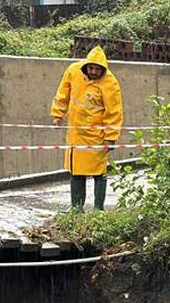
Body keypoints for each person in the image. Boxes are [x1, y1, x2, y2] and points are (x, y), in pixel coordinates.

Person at [50, 45, 123, 211]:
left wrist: (110, 137)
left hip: (96, 136)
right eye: (91, 68)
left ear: (103, 69)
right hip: (75, 133)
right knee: (76, 171)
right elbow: (63, 94)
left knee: (99, 173)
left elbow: (114, 112)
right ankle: (76, 208)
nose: (94, 72)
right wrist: (58, 114)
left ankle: (98, 209)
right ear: (86, 66)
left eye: (97, 69)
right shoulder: (73, 71)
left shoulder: (110, 83)